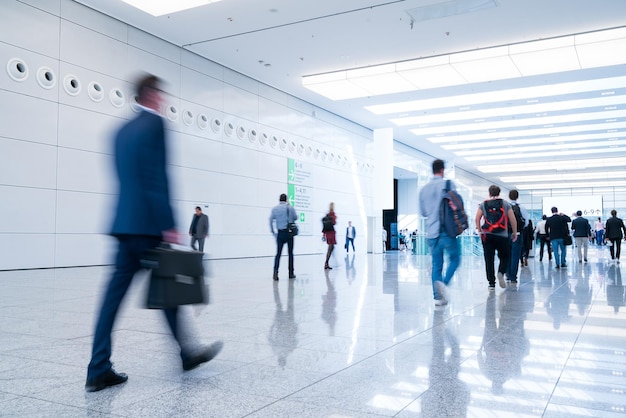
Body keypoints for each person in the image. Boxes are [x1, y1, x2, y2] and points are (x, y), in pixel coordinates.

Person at [86, 74, 222, 393]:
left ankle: (98, 368)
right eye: (161, 94)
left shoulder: (119, 131)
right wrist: (169, 222)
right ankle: (187, 353)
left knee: (118, 299)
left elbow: (127, 178)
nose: (164, 100)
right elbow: (157, 176)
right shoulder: (155, 125)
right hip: (147, 225)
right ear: (150, 94)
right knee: (168, 284)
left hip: (124, 223)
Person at [418, 159, 461, 306]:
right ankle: (444, 283)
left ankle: (438, 298)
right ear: (442, 170)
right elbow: (456, 206)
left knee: (437, 265)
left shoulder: (423, 189)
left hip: (431, 233)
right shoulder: (448, 185)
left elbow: (423, 213)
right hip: (446, 231)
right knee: (455, 259)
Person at [475, 185, 518, 289]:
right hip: (502, 235)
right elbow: (513, 219)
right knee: (505, 257)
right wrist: (514, 233)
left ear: (489, 193)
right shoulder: (505, 204)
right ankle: (501, 272)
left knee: (489, 259)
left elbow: (477, 218)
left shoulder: (483, 204)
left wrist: (480, 231)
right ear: (499, 193)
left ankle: (491, 283)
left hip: (487, 235)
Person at [269, 193, 298, 280]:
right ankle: (291, 273)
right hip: (289, 233)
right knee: (290, 253)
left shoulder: (275, 209)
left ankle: (275, 272)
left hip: (280, 233)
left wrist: (273, 232)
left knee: (278, 254)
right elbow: (295, 218)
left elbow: (270, 220)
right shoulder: (290, 208)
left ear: (279, 200)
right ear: (286, 200)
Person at [507, 190, 529, 281]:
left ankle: (507, 274)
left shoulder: (505, 207)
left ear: (509, 196)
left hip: (506, 234)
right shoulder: (521, 208)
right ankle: (513, 277)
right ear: (517, 197)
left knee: (507, 255)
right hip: (517, 234)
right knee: (515, 256)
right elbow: (526, 222)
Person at [322, 202, 337, 269]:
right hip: (331, 233)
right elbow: (334, 223)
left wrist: (323, 235)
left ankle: (327, 263)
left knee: (331, 247)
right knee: (330, 248)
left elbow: (325, 226)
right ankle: (326, 263)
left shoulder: (327, 215)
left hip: (327, 233)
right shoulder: (332, 214)